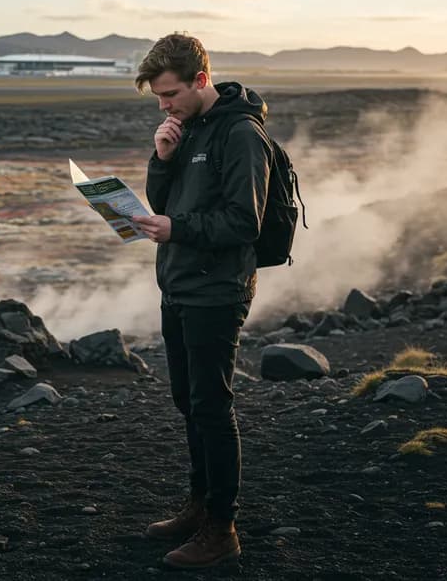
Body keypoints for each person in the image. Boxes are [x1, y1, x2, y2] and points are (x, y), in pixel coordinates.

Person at [131, 33, 272, 569]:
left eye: (169, 95)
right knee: (188, 402)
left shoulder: (240, 134)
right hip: (180, 284)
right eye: (157, 99)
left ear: (200, 80)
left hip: (217, 290)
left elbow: (244, 222)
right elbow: (169, 204)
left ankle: (222, 528)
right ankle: (198, 506)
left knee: (212, 407)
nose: (164, 106)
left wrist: (176, 228)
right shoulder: (186, 129)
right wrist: (163, 158)